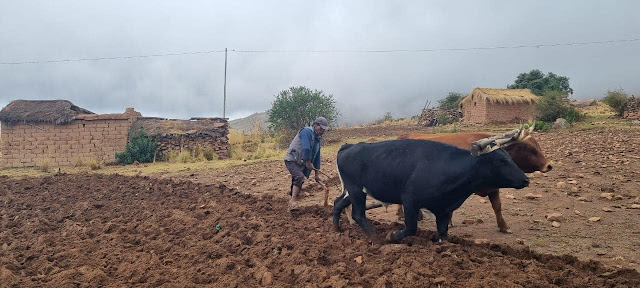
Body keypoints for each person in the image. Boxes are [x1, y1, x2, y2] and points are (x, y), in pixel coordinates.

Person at [283, 116, 328, 211]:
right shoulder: (307, 132)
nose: (322, 130)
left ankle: (291, 201)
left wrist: (317, 175)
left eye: (324, 129)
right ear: (315, 125)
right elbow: (306, 148)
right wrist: (308, 162)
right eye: (321, 128)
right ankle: (293, 201)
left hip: (300, 162)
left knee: (297, 180)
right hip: (292, 159)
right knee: (299, 177)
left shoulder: (317, 138)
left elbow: (317, 157)